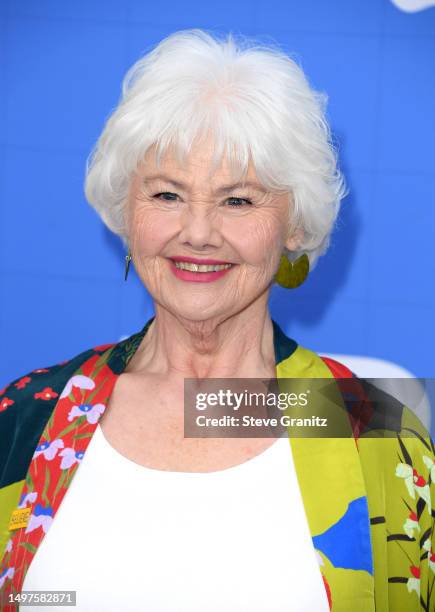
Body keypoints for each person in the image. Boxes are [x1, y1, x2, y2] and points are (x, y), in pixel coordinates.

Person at [0, 29, 433, 612]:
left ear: (296, 226)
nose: (198, 232)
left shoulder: (376, 431)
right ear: (126, 213)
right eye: (167, 195)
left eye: (238, 200)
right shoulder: (26, 416)